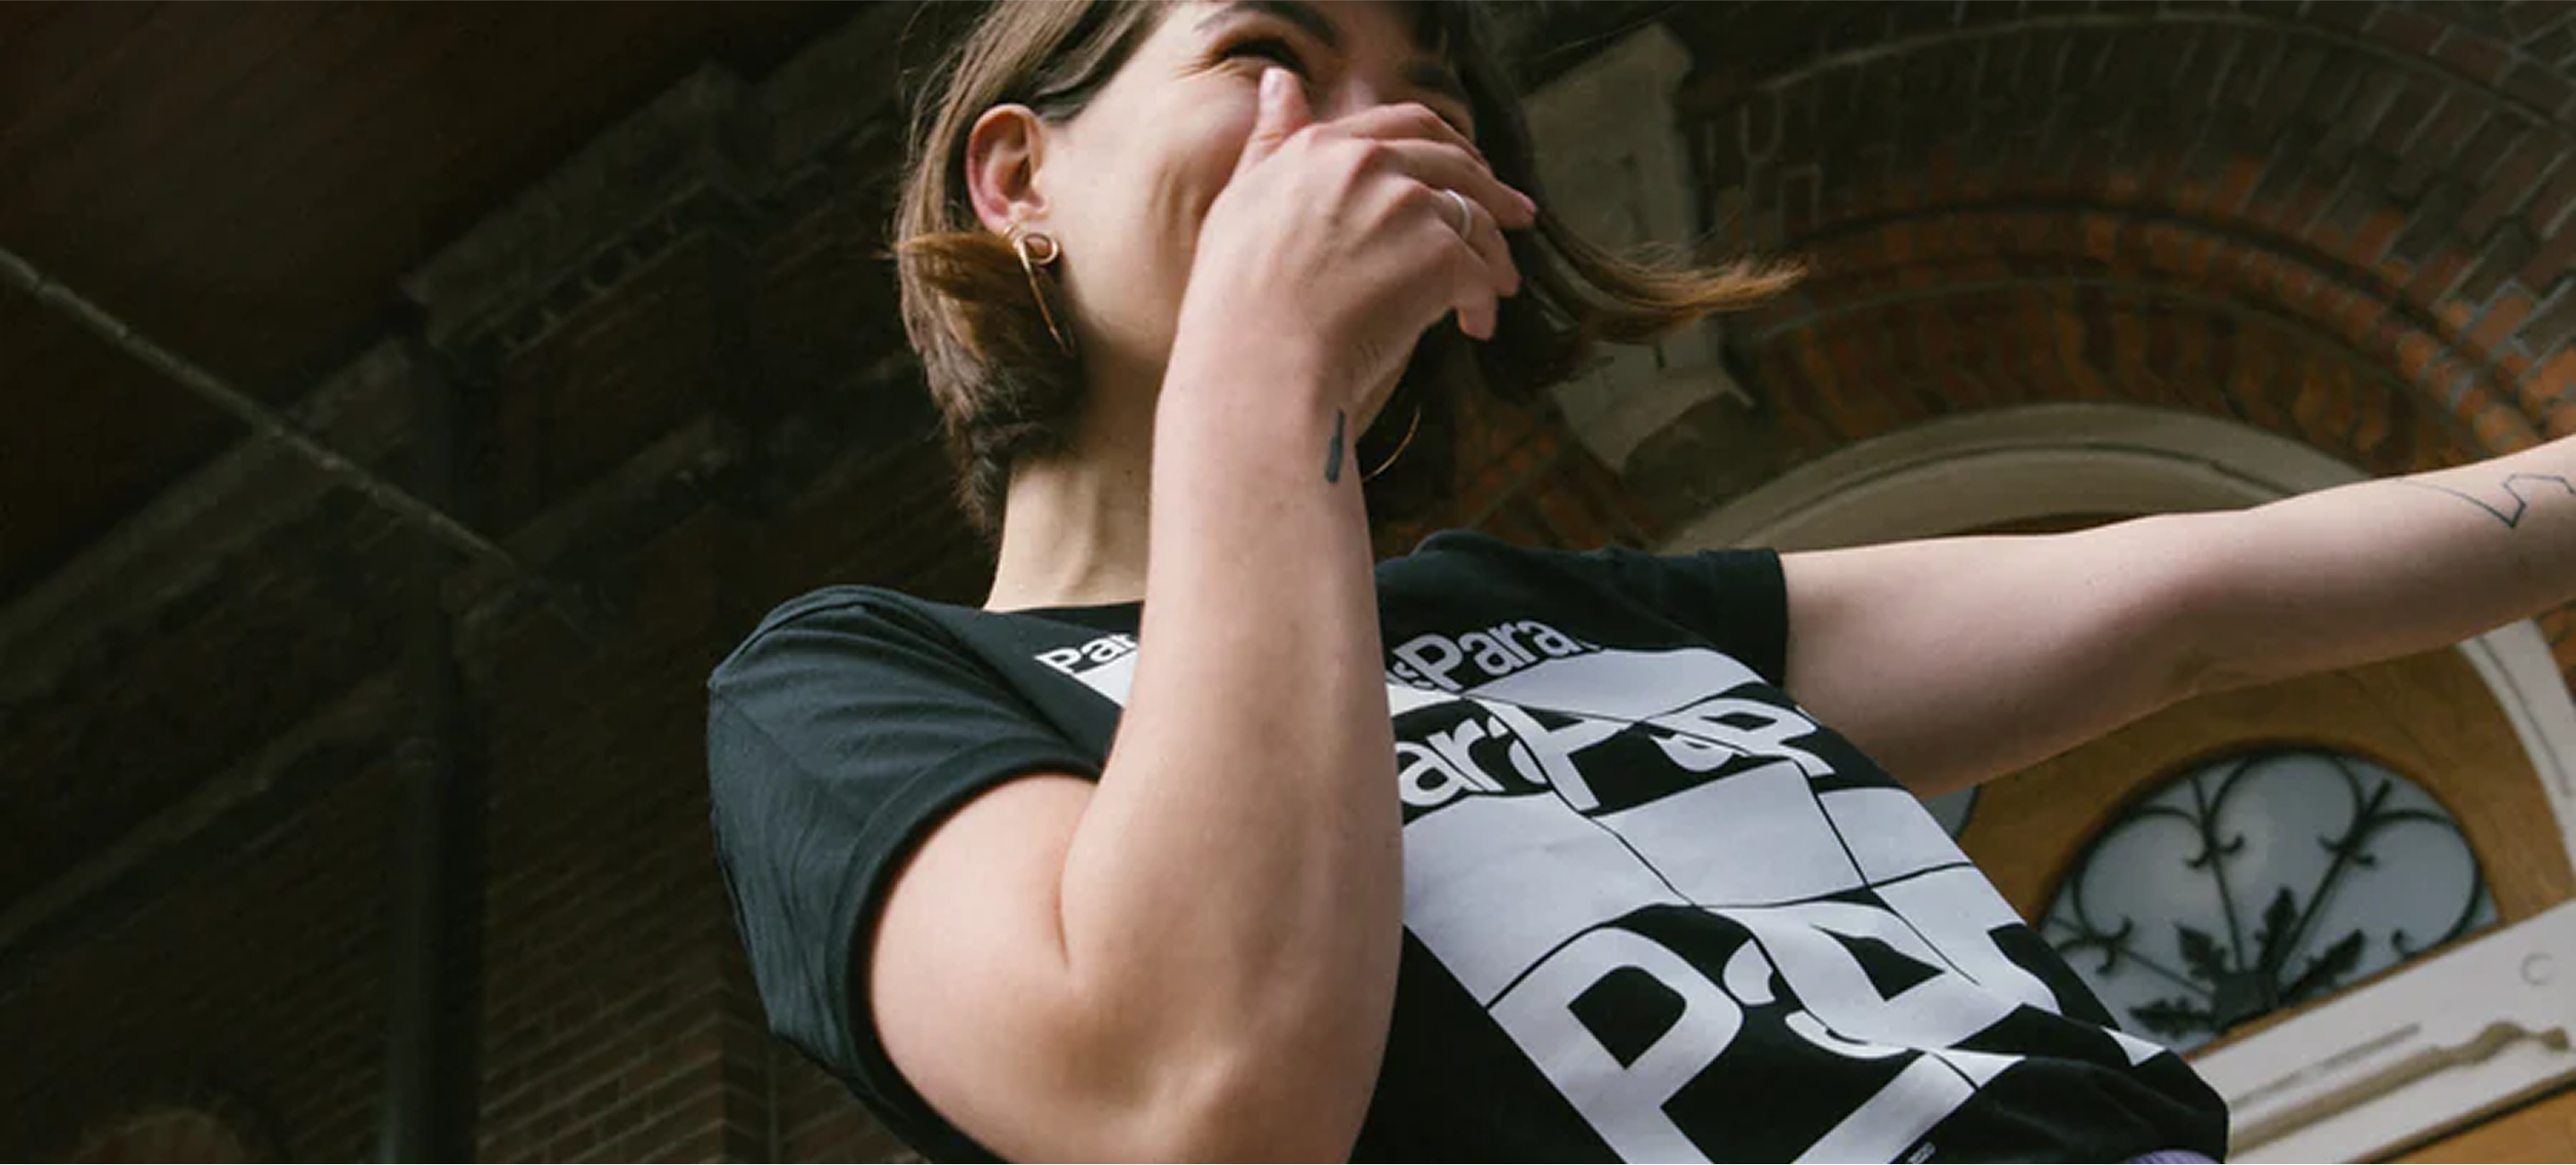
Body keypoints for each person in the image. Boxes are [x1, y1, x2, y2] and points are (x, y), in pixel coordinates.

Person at [705, 0, 2576, 1161]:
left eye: (1425, 96)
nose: (1379, 133)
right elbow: (1197, 1099)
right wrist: (1263, 364)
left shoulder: (1569, 619)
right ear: (1017, 178)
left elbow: (2197, 603)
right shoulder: (855, 691)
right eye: (1266, 53)